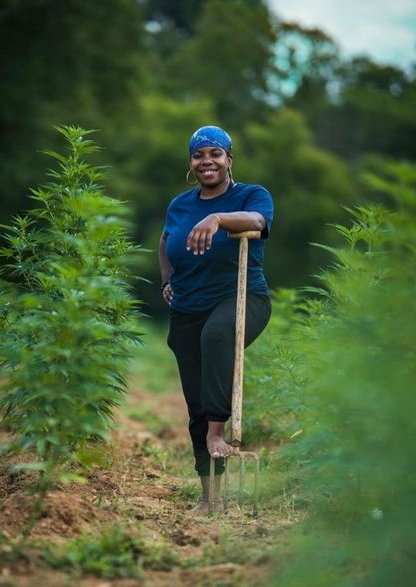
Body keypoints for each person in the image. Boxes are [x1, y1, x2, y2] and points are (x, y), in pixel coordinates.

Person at [159, 125, 274, 515]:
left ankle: (217, 431)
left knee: (217, 336)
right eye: (198, 155)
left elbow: (258, 223)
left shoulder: (251, 195)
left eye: (214, 153)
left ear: (229, 159)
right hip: (187, 307)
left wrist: (220, 219)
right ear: (190, 164)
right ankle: (211, 499)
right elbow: (165, 240)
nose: (206, 161)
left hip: (243, 299)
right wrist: (166, 281)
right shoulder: (179, 204)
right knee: (196, 402)